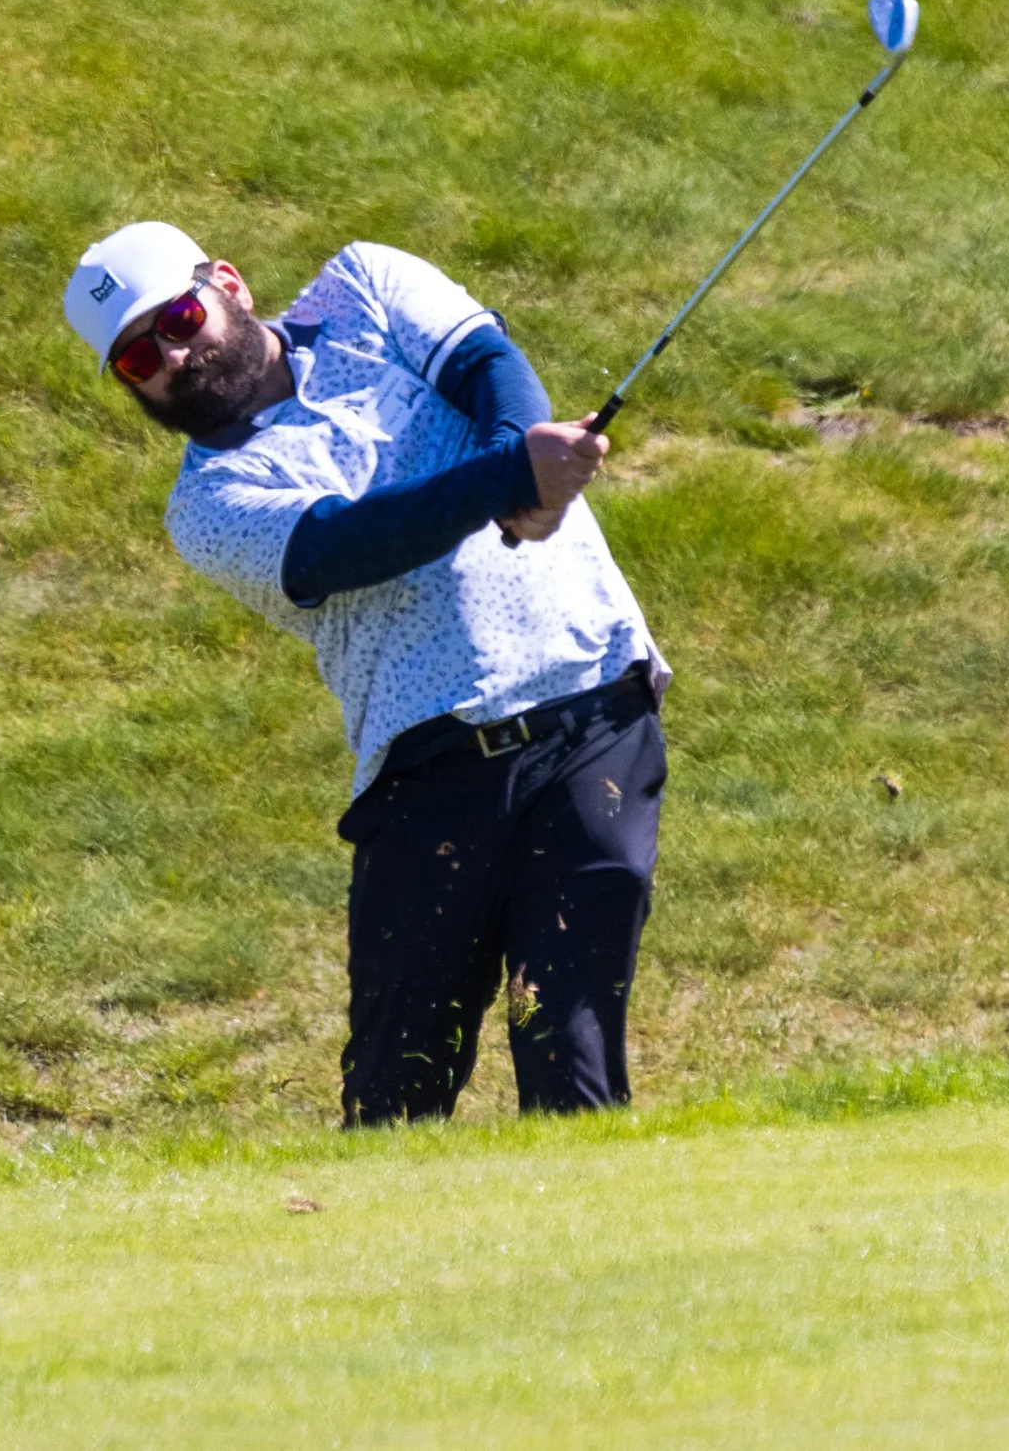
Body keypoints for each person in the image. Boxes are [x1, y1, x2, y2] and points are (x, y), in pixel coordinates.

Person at [64, 221, 669, 1124]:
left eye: (180, 316)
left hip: (592, 715)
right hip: (428, 777)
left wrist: (528, 473)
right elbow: (350, 545)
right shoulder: (208, 504)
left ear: (228, 282)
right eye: (135, 359)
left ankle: (593, 1257)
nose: (171, 356)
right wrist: (510, 480)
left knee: (571, 1044)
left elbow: (492, 369)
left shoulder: (364, 286)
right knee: (396, 1087)